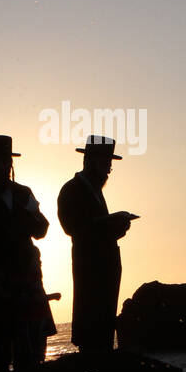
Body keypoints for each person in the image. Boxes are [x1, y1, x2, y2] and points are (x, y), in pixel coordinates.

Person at [0, 135, 56, 372]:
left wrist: (30, 215)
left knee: (30, 353)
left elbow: (42, 228)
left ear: (9, 163)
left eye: (3, 160)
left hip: (26, 278)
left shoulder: (23, 193)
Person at [58, 137, 133, 355]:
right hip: (90, 271)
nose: (109, 168)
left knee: (103, 332)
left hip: (104, 272)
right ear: (90, 161)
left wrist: (115, 229)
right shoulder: (72, 189)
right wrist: (109, 227)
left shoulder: (93, 190)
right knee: (92, 333)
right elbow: (73, 227)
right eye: (106, 162)